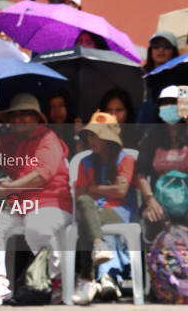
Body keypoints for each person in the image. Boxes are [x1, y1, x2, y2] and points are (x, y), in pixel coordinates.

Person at [0, 92, 72, 306]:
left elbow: (42, 174)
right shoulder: (7, 142)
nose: (18, 119)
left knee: (36, 224)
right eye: (15, 115)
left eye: (25, 114)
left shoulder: (48, 138)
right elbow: (1, 174)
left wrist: (9, 187)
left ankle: (54, 278)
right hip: (19, 204)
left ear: (37, 118)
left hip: (52, 204)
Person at [71, 113, 138, 305]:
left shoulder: (125, 160)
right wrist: (108, 190)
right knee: (85, 205)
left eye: (96, 135)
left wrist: (94, 188)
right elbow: (82, 195)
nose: (91, 139)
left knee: (87, 220)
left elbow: (121, 191)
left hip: (120, 211)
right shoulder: (85, 162)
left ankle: (87, 279)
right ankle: (99, 247)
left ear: (109, 139)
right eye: (89, 135)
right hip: (94, 211)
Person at [134, 85, 188, 244]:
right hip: (159, 200)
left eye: (174, 102)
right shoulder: (152, 135)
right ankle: (157, 266)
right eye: (165, 103)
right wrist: (150, 200)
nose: (169, 107)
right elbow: (141, 173)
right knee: (153, 218)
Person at [45, 89, 81, 157]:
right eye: (52, 106)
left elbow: (80, 161)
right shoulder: (44, 134)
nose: (57, 111)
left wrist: (78, 135)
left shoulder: (75, 129)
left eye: (61, 105)